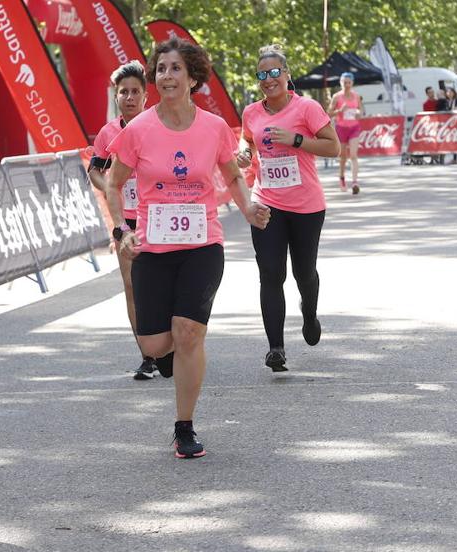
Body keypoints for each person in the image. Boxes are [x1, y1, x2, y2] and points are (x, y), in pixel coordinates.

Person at [104, 37, 270, 459]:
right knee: (155, 346)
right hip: (153, 248)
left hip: (202, 243)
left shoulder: (213, 127)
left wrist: (248, 208)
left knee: (189, 332)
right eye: (161, 69)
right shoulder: (139, 128)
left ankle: (185, 427)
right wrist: (123, 229)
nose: (166, 75)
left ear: (193, 76)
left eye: (176, 68)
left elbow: (232, 176)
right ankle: (172, 358)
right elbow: (114, 182)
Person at [236, 44, 340, 372]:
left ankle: (309, 314)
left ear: (286, 75)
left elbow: (333, 147)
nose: (268, 79)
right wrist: (243, 152)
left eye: (274, 73)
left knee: (303, 273)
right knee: (271, 273)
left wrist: (296, 140)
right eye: (262, 75)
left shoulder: (307, 108)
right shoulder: (251, 112)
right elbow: (247, 140)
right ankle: (276, 348)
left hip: (306, 206)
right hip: (267, 201)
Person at [87, 60, 174, 381]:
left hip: (161, 218)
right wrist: (111, 186)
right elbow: (94, 170)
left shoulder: (158, 124)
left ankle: (169, 343)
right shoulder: (108, 133)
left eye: (135, 92)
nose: (129, 97)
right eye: (123, 92)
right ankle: (147, 355)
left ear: (145, 95)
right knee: (132, 287)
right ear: (116, 96)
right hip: (127, 222)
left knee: (164, 286)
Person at [328, 72, 363, 193]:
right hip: (341, 128)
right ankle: (342, 177)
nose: (347, 85)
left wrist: (359, 114)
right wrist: (339, 111)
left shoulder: (356, 96)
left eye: (349, 82)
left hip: (354, 127)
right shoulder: (337, 97)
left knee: (353, 155)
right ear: (341, 83)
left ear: (352, 83)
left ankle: (354, 182)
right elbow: (329, 113)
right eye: (344, 82)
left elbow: (361, 111)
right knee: (343, 157)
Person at [441, 87, 457, 163]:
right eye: (448, 92)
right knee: (453, 141)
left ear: (454, 93)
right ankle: (454, 158)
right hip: (450, 124)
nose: (449, 94)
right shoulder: (446, 102)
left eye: (451, 92)